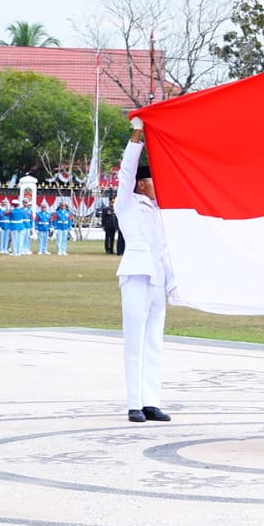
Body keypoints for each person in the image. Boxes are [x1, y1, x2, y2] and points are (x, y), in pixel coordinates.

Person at [116, 118, 177, 423]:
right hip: (136, 275)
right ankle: (134, 403)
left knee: (154, 340)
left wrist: (173, 283)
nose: (158, 185)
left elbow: (164, 250)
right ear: (142, 184)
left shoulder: (159, 211)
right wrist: (137, 135)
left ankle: (151, 400)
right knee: (135, 339)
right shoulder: (127, 203)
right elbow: (126, 171)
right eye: (153, 180)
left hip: (156, 277)